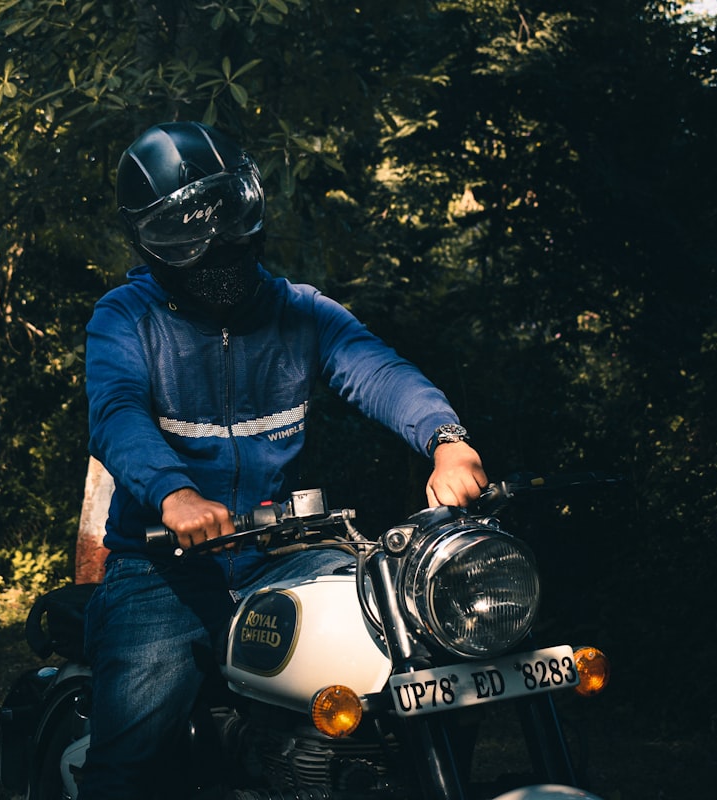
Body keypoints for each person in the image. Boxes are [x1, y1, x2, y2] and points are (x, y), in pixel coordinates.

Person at [80, 121, 487, 799]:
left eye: (224, 221)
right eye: (182, 236)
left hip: (280, 553)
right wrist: (173, 494)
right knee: (132, 751)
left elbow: (376, 371)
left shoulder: (302, 313)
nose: (212, 250)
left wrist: (446, 438)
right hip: (162, 565)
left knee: (414, 655)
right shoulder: (125, 317)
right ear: (147, 242)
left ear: (252, 208)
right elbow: (116, 413)